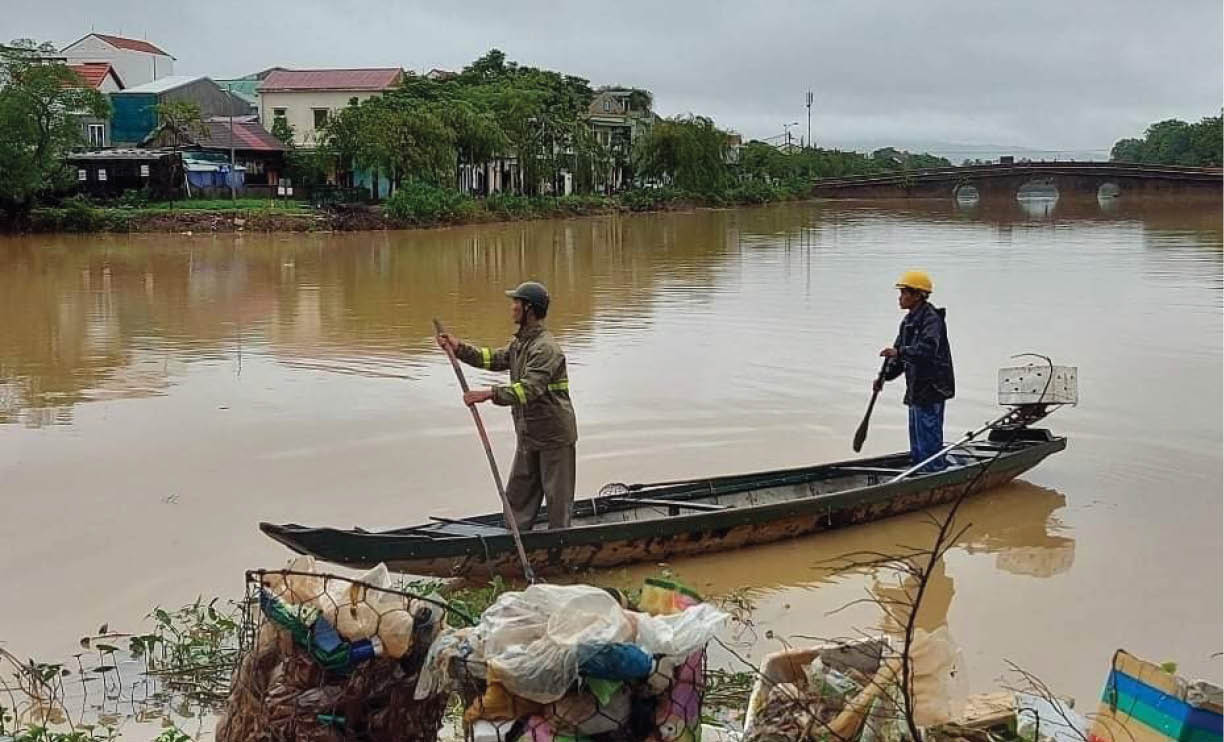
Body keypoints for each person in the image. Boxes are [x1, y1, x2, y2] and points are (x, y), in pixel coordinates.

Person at [436, 281, 578, 530]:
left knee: (558, 501)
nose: (512, 307)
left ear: (529, 309)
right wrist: (459, 348)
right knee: (517, 497)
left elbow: (528, 389)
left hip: (554, 436)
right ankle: (513, 543)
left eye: (516, 303)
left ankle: (560, 548)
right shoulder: (520, 344)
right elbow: (493, 358)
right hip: (529, 435)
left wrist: (487, 394)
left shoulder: (546, 348)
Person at [876, 270, 955, 472]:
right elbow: (899, 359)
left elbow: (927, 350)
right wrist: (883, 378)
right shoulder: (908, 322)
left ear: (918, 295)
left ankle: (934, 473)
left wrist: (899, 352)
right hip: (916, 390)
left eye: (904, 293)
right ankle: (919, 470)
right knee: (917, 438)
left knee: (929, 437)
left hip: (932, 388)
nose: (900, 298)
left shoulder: (932, 320)